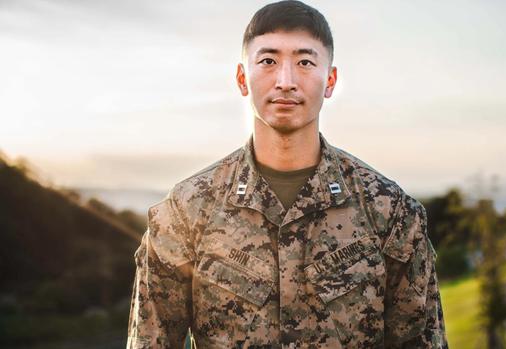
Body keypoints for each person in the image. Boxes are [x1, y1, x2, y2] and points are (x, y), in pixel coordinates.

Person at [127, 1, 447, 348]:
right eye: (268, 61)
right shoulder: (187, 211)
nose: (286, 81)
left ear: (330, 80)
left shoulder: (390, 212)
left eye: (305, 62)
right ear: (241, 78)